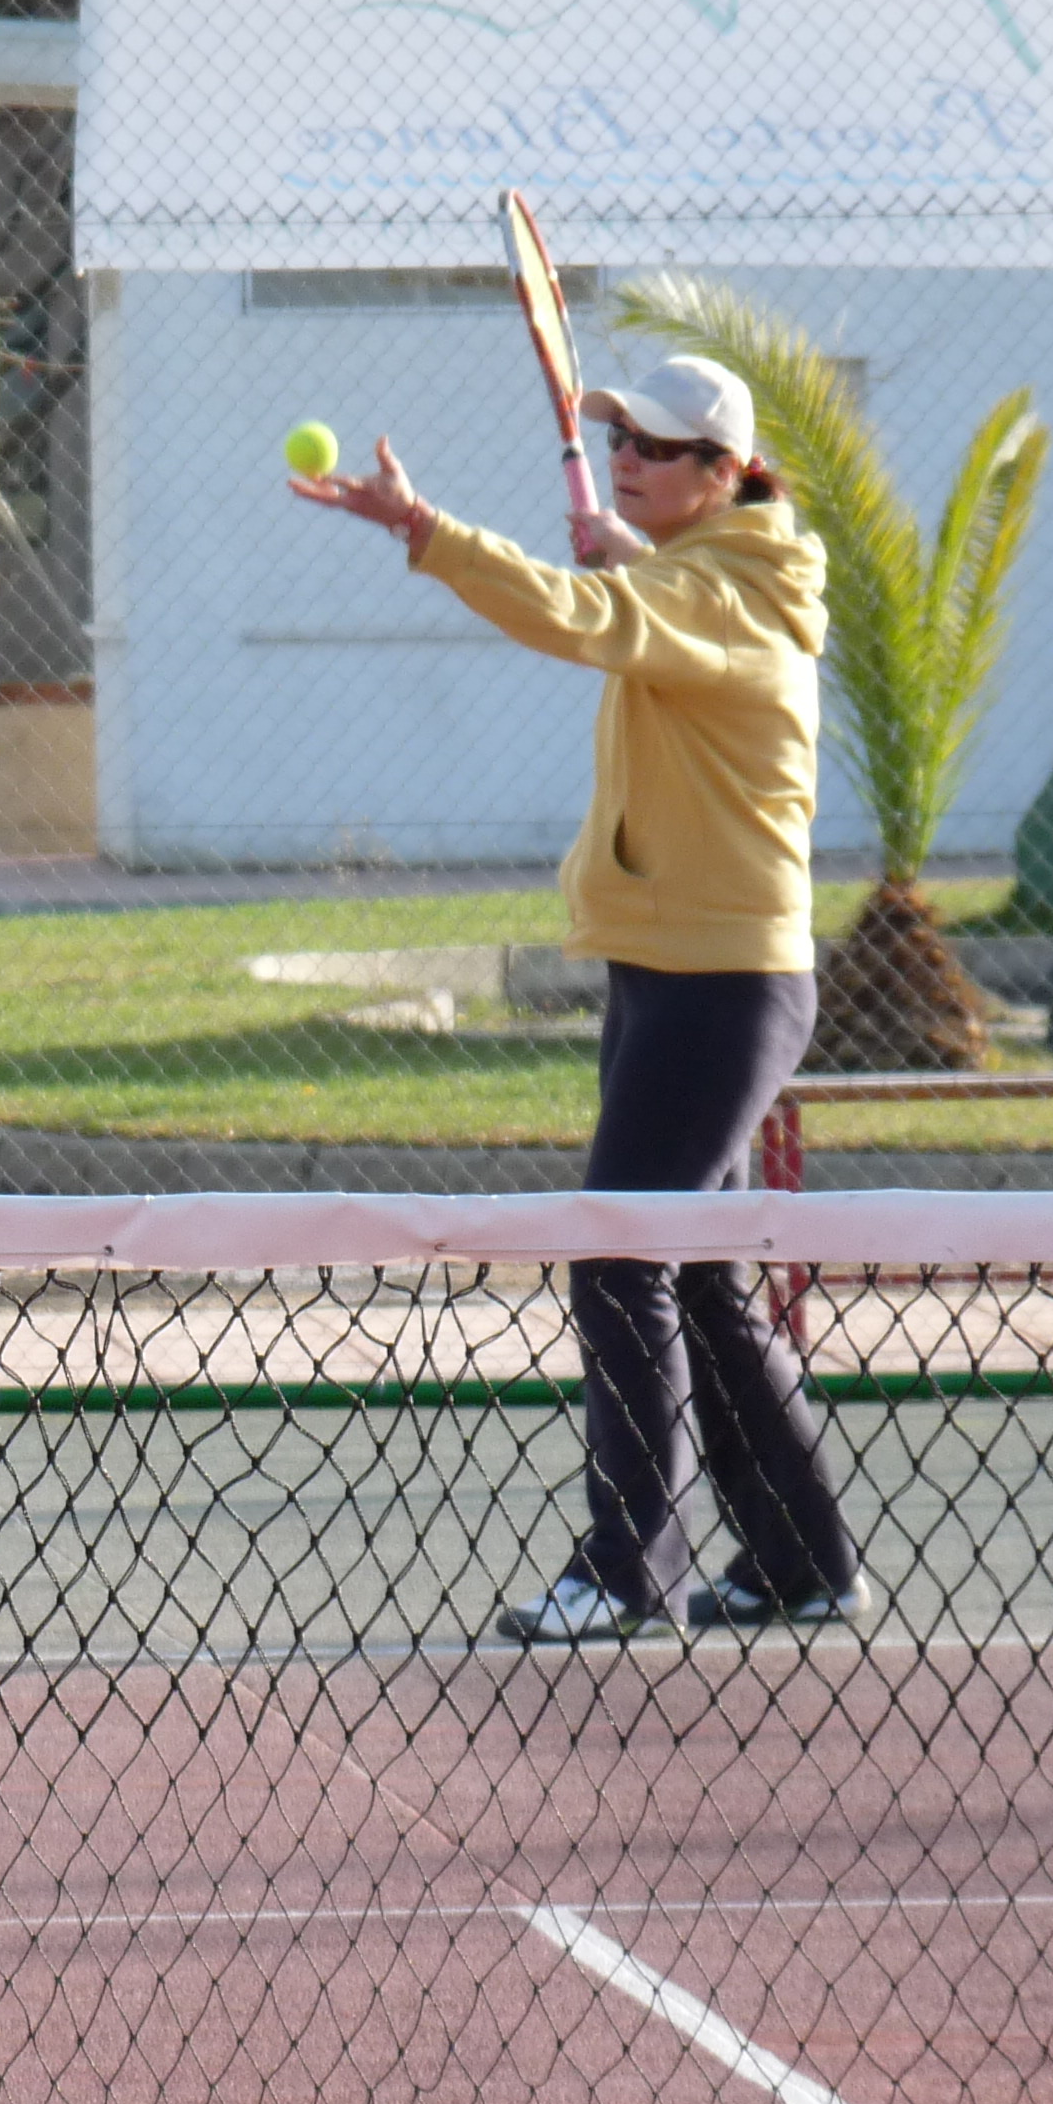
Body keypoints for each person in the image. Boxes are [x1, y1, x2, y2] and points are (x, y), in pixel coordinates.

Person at [294, 353, 865, 1644]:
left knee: (616, 1257)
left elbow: (584, 620)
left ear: (726, 473)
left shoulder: (724, 594)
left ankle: (627, 1571)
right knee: (698, 1276)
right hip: (668, 972)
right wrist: (633, 552)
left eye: (659, 448)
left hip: (724, 986)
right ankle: (800, 1561)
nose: (629, 460)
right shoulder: (705, 577)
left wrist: (426, 530)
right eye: (621, 440)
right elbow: (645, 604)